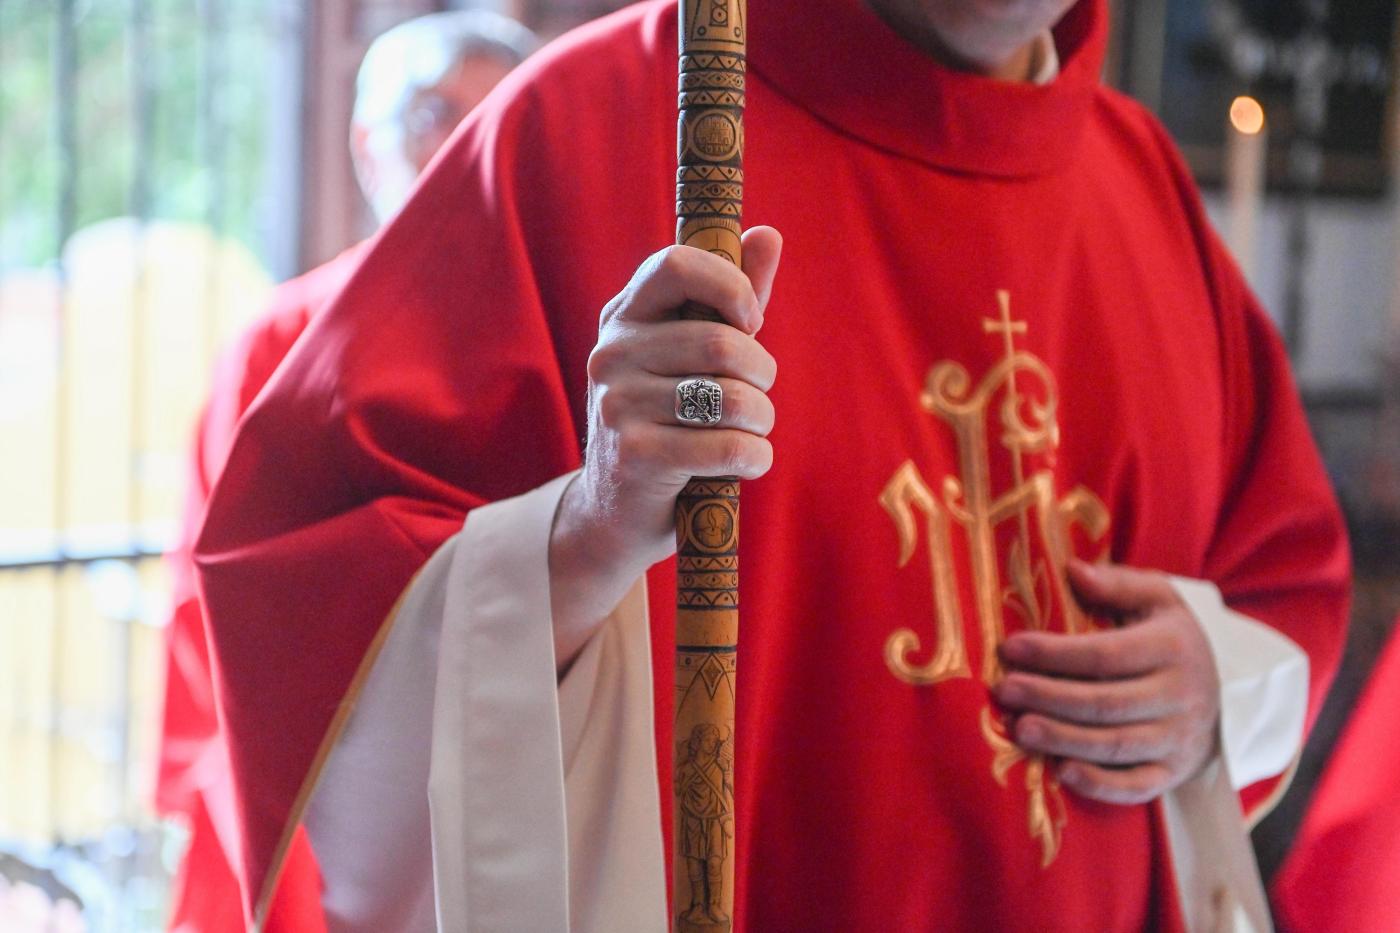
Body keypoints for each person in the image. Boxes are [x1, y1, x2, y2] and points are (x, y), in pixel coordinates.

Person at [196, 0, 1351, 929]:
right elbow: (313, 607)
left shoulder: (1140, 180)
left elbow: (1281, 585)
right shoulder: (587, 121)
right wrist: (591, 529)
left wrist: (1213, 683)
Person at [153, 11, 535, 932]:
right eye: (434, 116)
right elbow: (214, 588)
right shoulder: (285, 342)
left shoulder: (559, 334)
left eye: (499, 125)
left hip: (510, 764)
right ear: (367, 147)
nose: (461, 150)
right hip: (320, 766)